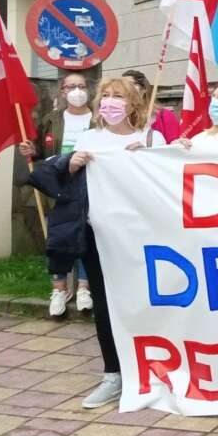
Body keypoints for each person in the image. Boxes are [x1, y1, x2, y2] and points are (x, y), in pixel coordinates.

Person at [69, 76, 167, 408]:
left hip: (141, 240)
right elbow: (66, 182)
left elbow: (168, 183)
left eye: (118, 97)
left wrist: (153, 155)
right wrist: (72, 164)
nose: (110, 102)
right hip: (97, 239)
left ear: (134, 103)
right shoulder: (88, 139)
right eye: (106, 96)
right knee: (106, 305)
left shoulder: (151, 138)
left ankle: (154, 368)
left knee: (147, 303)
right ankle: (114, 373)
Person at [19, 72, 95, 317]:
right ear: (62, 91)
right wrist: (32, 149)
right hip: (60, 186)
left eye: (81, 86)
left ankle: (84, 287)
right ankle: (59, 289)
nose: (77, 91)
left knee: (85, 233)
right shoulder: (51, 120)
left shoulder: (99, 119)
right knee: (58, 236)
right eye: (71, 86)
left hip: (90, 184)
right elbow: (40, 149)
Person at [122, 69, 180, 144]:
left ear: (144, 89)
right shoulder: (118, 117)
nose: (124, 89)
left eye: (129, 85)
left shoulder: (165, 116)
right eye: (121, 86)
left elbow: (173, 147)